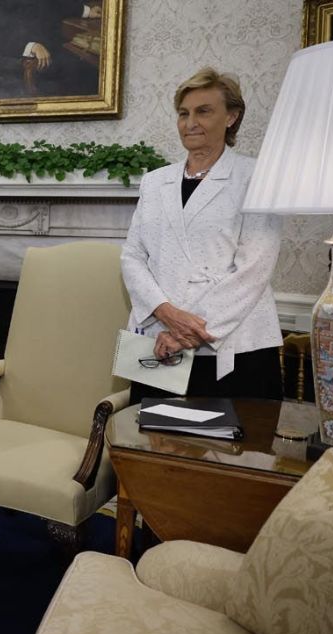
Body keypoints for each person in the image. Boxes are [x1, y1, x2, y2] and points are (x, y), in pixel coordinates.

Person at [120, 67, 283, 402]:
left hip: (233, 344)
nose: (190, 122)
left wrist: (186, 333)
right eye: (183, 113)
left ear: (232, 117)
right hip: (157, 339)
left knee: (229, 450)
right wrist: (165, 312)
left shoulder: (258, 177)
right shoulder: (154, 182)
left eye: (203, 111)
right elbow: (132, 256)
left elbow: (254, 267)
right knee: (147, 442)